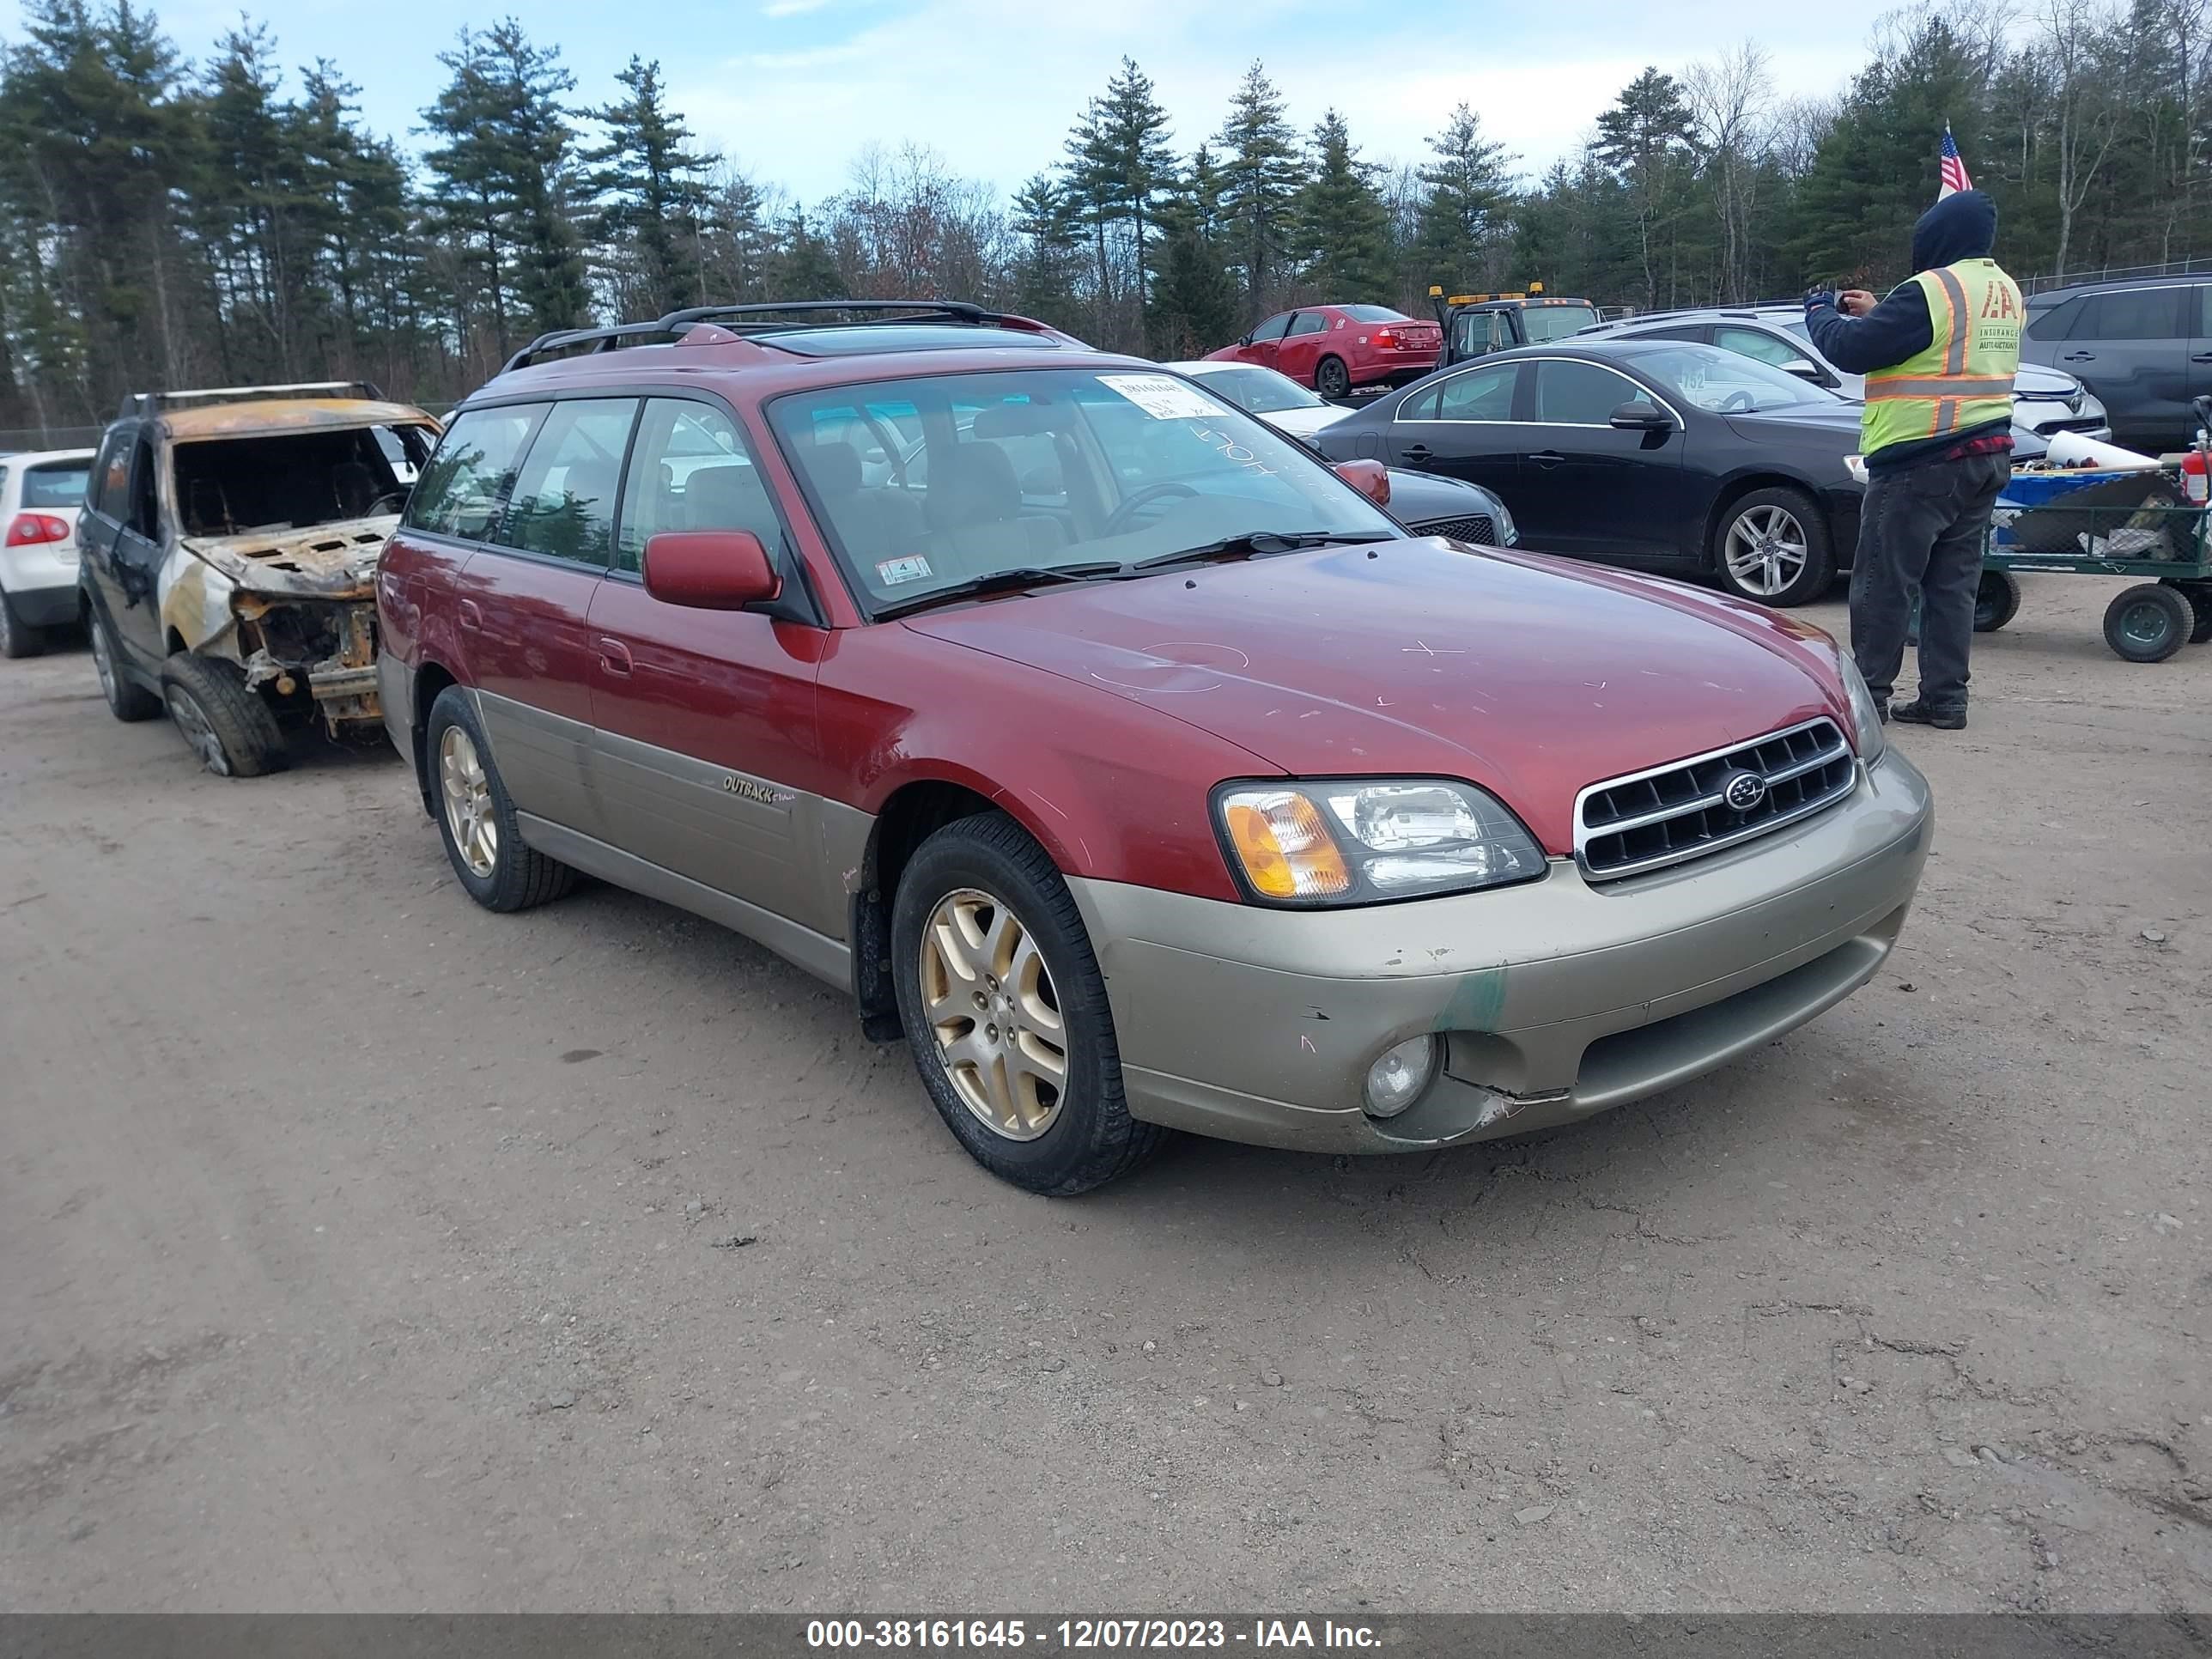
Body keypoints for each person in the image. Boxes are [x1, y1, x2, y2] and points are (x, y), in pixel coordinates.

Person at [1805, 189, 2022, 730]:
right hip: (1986, 453)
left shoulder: (1933, 288)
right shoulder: (2002, 290)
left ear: (1937, 237)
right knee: (1952, 585)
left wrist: (1815, 312)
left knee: (1883, 581)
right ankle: (1946, 699)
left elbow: (1852, 350)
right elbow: (1947, 345)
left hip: (1922, 457)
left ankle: (1870, 699)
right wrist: (1883, 313)